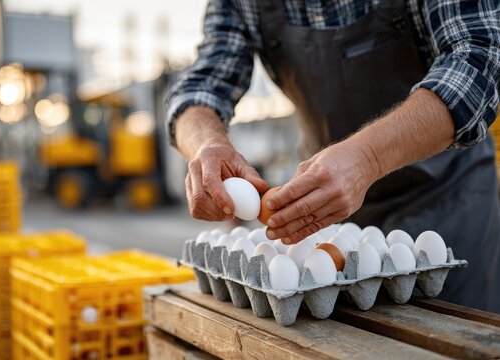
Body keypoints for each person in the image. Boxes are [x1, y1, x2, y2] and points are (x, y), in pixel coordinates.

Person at [166, 0, 500, 313]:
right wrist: (206, 144)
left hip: (445, 200)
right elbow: (201, 86)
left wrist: (367, 157)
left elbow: (478, 58)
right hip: (325, 211)